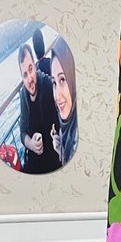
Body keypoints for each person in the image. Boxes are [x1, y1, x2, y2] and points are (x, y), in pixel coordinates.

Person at [18, 42, 60, 174]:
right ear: (22, 78)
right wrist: (31, 144)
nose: (30, 79)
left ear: (35, 65)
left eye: (30, 69)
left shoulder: (47, 84)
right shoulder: (23, 96)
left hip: (53, 160)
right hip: (33, 162)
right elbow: (22, 133)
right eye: (25, 75)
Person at [50, 37, 78, 166]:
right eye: (54, 83)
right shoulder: (67, 129)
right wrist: (61, 149)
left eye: (62, 79)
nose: (57, 96)